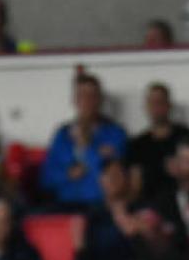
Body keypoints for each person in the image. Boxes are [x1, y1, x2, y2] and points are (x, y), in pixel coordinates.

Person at [41, 73, 127, 208]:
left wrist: (87, 147)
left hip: (101, 206)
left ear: (100, 100)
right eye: (82, 96)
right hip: (64, 206)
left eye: (92, 96)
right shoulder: (62, 134)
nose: (87, 101)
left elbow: (113, 179)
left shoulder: (115, 133)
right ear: (74, 100)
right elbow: (46, 178)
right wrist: (67, 174)